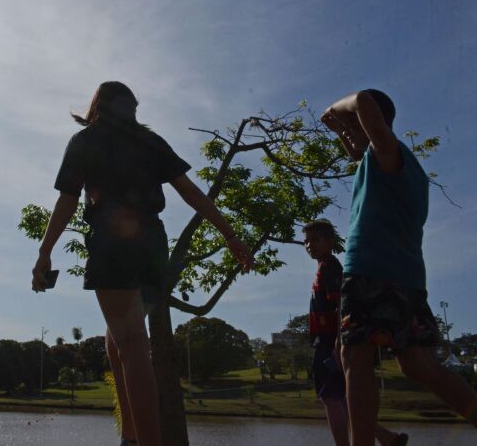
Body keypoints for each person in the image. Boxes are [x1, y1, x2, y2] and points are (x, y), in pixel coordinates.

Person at [31, 81, 253, 446]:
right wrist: (229, 234)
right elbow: (190, 191)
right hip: (153, 244)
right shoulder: (150, 141)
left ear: (97, 107)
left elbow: (68, 199)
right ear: (129, 107)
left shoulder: (86, 141)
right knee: (118, 340)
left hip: (112, 239)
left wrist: (44, 252)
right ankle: (131, 437)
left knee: (131, 340)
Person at [321, 89, 477, 445]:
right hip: (406, 278)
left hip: (370, 273)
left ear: (370, 122)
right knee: (418, 365)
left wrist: (336, 109)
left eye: (351, 126)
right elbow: (358, 149)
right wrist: (341, 132)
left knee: (354, 358)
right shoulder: (391, 165)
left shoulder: (387, 153)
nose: (348, 133)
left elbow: (362, 101)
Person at [302, 219, 407, 446]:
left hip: (329, 341)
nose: (310, 245)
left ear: (330, 242)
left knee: (330, 398)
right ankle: (386, 438)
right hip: (331, 340)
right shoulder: (326, 267)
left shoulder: (330, 267)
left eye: (315, 240)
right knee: (342, 399)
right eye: (306, 242)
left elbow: (342, 305)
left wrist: (338, 342)